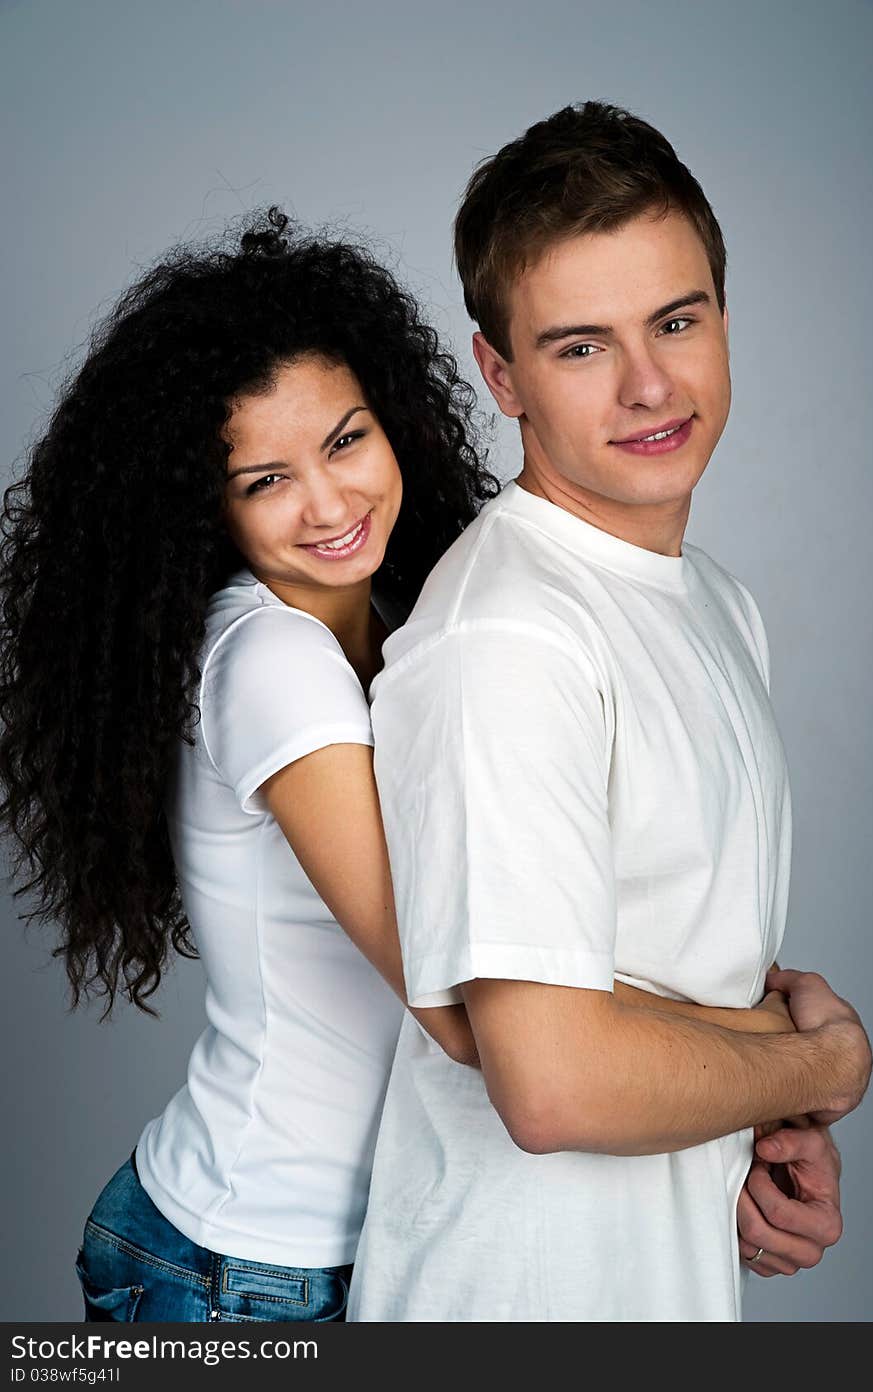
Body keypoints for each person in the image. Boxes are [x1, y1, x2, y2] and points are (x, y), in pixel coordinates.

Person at [347, 102, 872, 1322]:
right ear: (501, 376)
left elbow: (668, 971)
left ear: (724, 320)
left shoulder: (716, 604)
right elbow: (555, 1084)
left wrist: (764, 1125)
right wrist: (825, 1065)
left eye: (676, 322)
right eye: (580, 346)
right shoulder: (506, 636)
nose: (649, 385)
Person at [0, 209, 495, 1322]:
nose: (328, 503)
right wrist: (764, 1055)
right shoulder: (272, 659)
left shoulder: (395, 617)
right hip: (245, 1267)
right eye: (265, 479)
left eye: (345, 439)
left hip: (343, 1242)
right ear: (207, 506)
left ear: (396, 422)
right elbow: (462, 1009)